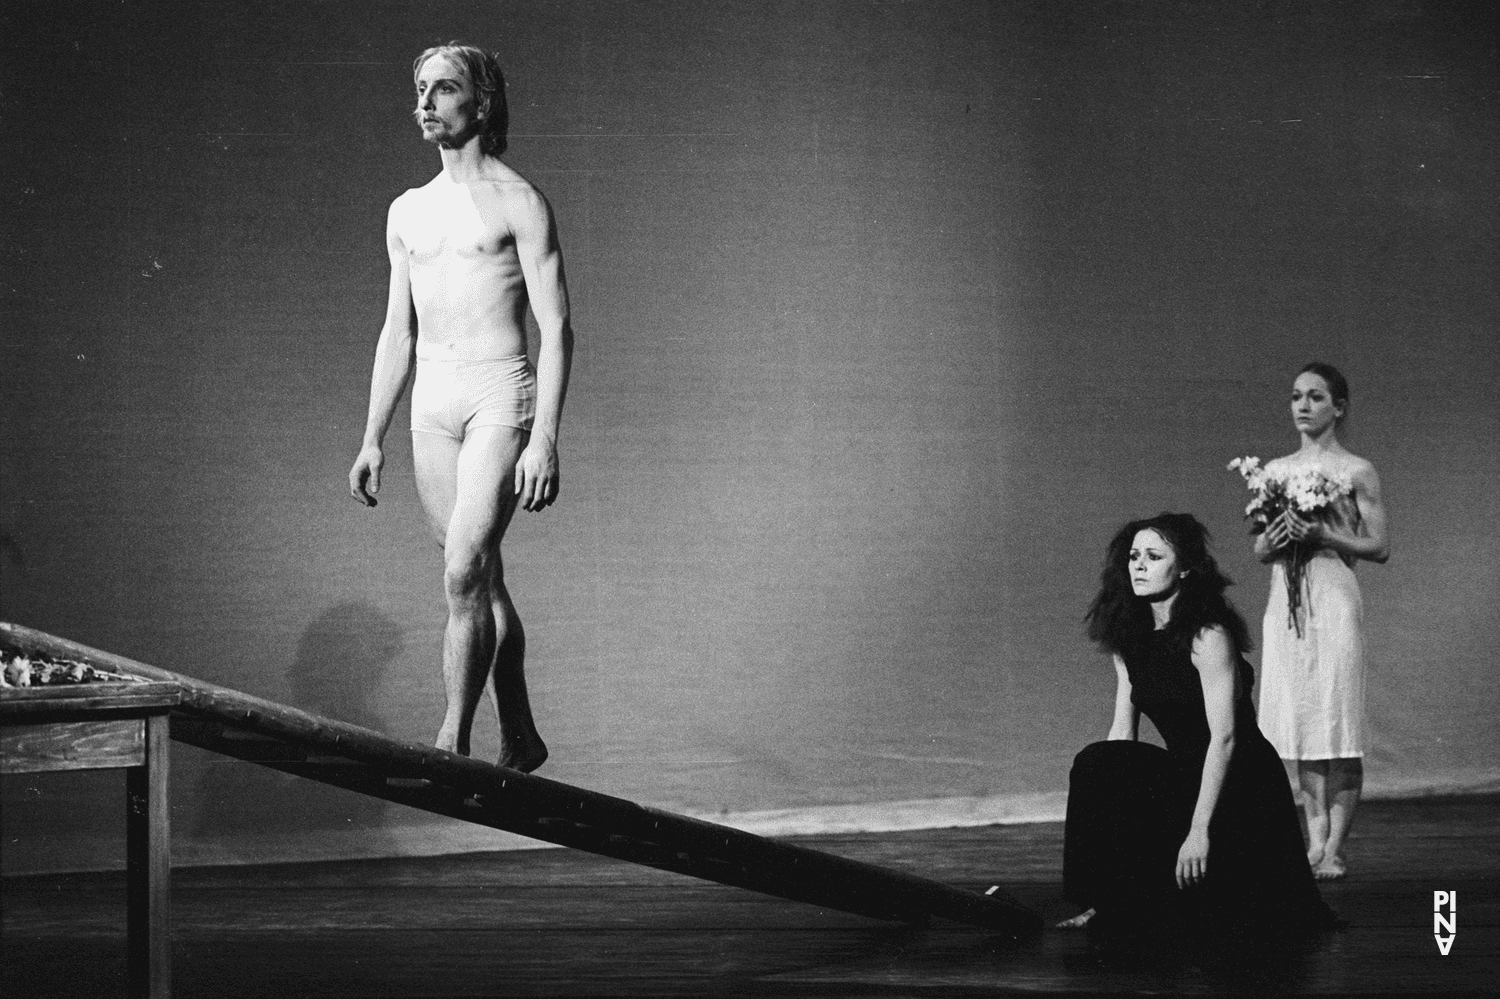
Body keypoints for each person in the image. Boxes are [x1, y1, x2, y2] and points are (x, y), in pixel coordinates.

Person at [348, 42, 574, 773]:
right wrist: (372, 435)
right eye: (419, 89)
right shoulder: (407, 212)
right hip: (434, 403)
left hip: (498, 394)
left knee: (462, 573)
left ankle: (451, 741)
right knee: (476, 577)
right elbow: (397, 330)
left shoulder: (519, 202)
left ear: (480, 102)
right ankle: (522, 730)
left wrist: (544, 439)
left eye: (443, 89)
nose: (425, 102)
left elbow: (558, 329)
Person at [1059, 513, 1332, 954]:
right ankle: (1102, 902)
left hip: (1240, 785)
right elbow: (1122, 731)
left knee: (1221, 922)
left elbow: (1223, 739)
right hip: (1187, 771)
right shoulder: (1130, 639)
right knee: (1096, 761)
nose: (1139, 567)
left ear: (1184, 568)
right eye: (1133, 557)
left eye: (1153, 556)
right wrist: (1110, 803)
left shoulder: (1207, 635)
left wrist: (1198, 830)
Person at [1256, 363, 1388, 879]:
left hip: (1332, 600)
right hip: (1285, 606)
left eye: (1315, 396)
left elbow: (1378, 546)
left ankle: (1336, 846)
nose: (1302, 405)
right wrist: (1275, 538)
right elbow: (1260, 546)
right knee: (1303, 724)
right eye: (1295, 396)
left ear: (1339, 406)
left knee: (1337, 722)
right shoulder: (1274, 470)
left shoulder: (1357, 469)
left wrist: (1326, 536)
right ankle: (1314, 841)